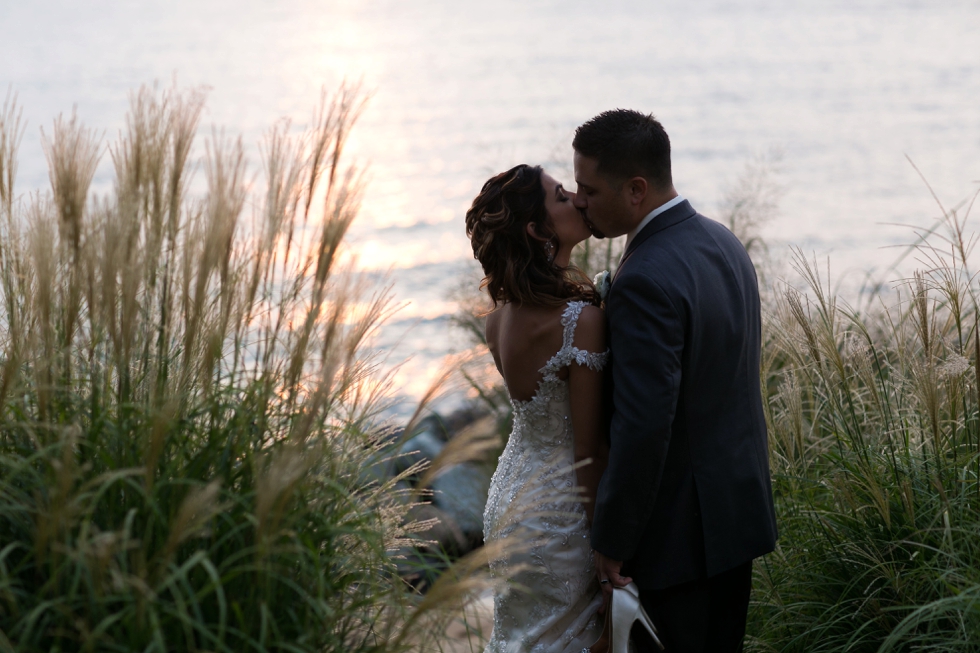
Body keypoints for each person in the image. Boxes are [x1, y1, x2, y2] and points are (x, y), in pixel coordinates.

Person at [571, 109, 778, 653]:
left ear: (636, 189)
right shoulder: (724, 243)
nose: (579, 201)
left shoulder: (643, 279)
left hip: (677, 540)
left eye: (588, 189)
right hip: (737, 517)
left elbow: (644, 424)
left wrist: (613, 540)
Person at [466, 164, 610, 653]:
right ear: (537, 229)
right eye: (562, 197)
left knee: (523, 637)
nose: (578, 199)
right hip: (562, 512)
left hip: (508, 501)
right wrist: (608, 549)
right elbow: (589, 452)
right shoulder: (579, 322)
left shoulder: (496, 322)